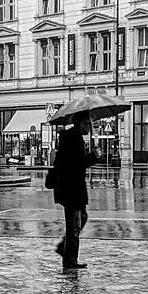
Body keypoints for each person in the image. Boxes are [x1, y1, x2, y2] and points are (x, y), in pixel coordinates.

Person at [52, 111, 100, 270]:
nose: (89, 126)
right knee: (74, 226)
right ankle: (70, 260)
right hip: (71, 189)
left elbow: (76, 163)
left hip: (74, 188)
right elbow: (75, 165)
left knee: (82, 218)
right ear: (79, 123)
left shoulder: (75, 138)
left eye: (90, 123)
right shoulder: (72, 139)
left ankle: (64, 248)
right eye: (87, 123)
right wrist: (93, 156)